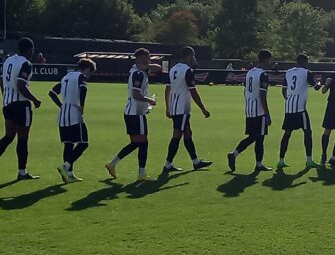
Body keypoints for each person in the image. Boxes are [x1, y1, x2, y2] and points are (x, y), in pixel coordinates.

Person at [0, 37, 42, 181]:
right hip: (21, 105)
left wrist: (5, 97)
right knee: (23, 138)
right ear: (30, 50)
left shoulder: (8, 61)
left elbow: (2, 81)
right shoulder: (26, 64)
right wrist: (34, 99)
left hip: (8, 104)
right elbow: (21, 85)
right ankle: (22, 172)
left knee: (9, 136)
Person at [105, 48, 159, 181]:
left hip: (132, 112)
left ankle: (114, 164)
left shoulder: (138, 70)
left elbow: (158, 68)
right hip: (136, 113)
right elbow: (136, 94)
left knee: (138, 143)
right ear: (142, 58)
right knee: (142, 143)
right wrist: (149, 100)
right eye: (148, 57)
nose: (150, 60)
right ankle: (140, 173)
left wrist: (145, 65)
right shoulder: (138, 74)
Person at [162, 45, 212, 174]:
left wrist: (168, 107)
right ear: (189, 56)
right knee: (178, 135)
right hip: (182, 108)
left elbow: (167, 89)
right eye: (193, 56)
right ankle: (170, 164)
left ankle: (194, 162)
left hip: (174, 107)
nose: (194, 59)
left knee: (186, 133)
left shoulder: (173, 69)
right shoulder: (187, 71)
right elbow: (193, 92)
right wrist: (203, 108)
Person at [48, 58, 97, 183]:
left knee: (68, 144)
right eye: (90, 73)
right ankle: (65, 167)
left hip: (63, 115)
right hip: (75, 115)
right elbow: (83, 89)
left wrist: (61, 105)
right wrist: (82, 105)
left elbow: (52, 93)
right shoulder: (81, 77)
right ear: (87, 69)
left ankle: (69, 174)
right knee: (84, 143)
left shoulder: (66, 77)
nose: (89, 76)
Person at [228, 49, 273, 173]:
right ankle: (258, 164)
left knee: (253, 137)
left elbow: (245, 91)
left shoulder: (249, 73)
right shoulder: (263, 74)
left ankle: (235, 154)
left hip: (249, 110)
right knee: (259, 138)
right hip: (259, 111)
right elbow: (262, 95)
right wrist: (267, 114)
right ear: (266, 59)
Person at [278, 53, 319, 169]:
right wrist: (320, 83)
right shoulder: (306, 72)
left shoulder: (289, 72)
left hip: (289, 107)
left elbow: (283, 90)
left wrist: (289, 99)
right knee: (307, 132)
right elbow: (316, 87)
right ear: (305, 62)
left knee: (287, 133)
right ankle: (309, 160)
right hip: (300, 108)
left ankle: (281, 160)